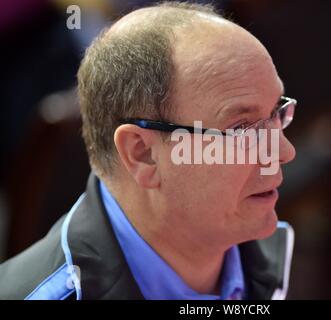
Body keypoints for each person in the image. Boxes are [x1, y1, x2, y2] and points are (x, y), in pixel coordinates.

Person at [0, 1, 297, 300]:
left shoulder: (263, 254)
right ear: (143, 153)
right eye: (241, 129)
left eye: (277, 112)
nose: (284, 152)